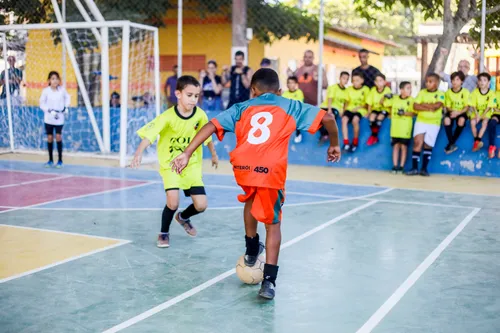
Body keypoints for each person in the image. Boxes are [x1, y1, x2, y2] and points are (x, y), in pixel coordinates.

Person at [170, 68, 341, 300]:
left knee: (250, 198)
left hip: (243, 167)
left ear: (253, 90)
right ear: (279, 91)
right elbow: (329, 118)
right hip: (270, 171)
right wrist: (334, 144)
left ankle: (252, 250)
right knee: (273, 224)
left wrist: (188, 152)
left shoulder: (241, 107)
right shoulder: (289, 105)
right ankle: (269, 281)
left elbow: (210, 125)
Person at [131, 76, 219, 248]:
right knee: (173, 202)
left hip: (191, 164)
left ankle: (183, 217)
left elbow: (206, 136)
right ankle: (164, 232)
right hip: (170, 165)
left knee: (201, 205)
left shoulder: (200, 115)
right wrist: (138, 153)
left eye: (196, 96)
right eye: (189, 95)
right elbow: (149, 136)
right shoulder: (167, 117)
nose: (193, 99)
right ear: (178, 94)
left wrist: (213, 154)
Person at [407, 73, 445, 177]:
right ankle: (414, 168)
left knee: (428, 144)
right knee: (417, 142)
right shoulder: (422, 92)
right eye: (426, 81)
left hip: (434, 123)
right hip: (421, 121)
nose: (427, 84)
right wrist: (429, 108)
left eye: (430, 82)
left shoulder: (441, 94)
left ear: (436, 83)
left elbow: (437, 106)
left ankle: (424, 168)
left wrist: (422, 104)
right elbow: (415, 106)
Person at [39, 71, 70, 168]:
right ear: (49, 80)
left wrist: (66, 107)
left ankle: (60, 160)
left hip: (59, 118)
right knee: (49, 138)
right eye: (53, 79)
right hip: (48, 118)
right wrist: (49, 110)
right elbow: (42, 104)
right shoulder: (46, 91)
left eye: (56, 78)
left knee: (58, 137)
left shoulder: (62, 90)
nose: (55, 80)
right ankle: (50, 160)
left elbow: (67, 98)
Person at [386, 81, 414, 173]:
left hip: (405, 127)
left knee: (404, 147)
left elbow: (414, 112)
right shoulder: (394, 99)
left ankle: (401, 167)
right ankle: (395, 166)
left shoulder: (411, 100)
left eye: (410, 88)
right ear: (401, 90)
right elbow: (385, 104)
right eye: (407, 88)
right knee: (395, 146)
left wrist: (404, 113)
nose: (410, 90)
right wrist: (385, 96)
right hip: (395, 127)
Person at [318, 71, 350, 144]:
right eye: (343, 78)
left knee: (332, 116)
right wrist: (329, 109)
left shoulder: (346, 91)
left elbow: (346, 102)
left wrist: (343, 112)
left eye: (347, 79)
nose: (345, 80)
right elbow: (330, 99)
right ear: (339, 78)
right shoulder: (333, 87)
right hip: (326, 106)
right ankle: (324, 134)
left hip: (336, 108)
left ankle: (327, 134)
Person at [341, 72, 369, 152]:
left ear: (362, 81)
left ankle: (355, 142)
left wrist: (358, 107)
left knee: (355, 120)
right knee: (344, 120)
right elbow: (346, 102)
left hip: (360, 110)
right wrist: (344, 111)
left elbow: (367, 104)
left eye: (357, 80)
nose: (355, 82)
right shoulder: (349, 89)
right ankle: (346, 143)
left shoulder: (366, 89)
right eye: (353, 80)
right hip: (350, 109)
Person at [443, 71, 469, 154]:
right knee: (446, 120)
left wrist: (458, 113)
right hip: (452, 111)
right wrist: (453, 111)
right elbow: (447, 106)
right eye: (453, 80)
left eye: (457, 80)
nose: (454, 82)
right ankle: (452, 143)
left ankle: (450, 143)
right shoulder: (448, 92)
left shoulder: (465, 92)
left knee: (461, 121)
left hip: (461, 112)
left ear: (461, 81)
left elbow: (466, 107)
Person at [469, 72, 496, 153]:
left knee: (485, 123)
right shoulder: (475, 92)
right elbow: (473, 105)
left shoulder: (491, 93)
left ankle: (478, 139)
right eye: (480, 80)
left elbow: (489, 107)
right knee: (472, 122)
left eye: (484, 80)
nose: (482, 82)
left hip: (486, 113)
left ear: (488, 82)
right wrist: (477, 115)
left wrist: (482, 116)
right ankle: (476, 141)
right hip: (476, 112)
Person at [366, 73, 392, 145]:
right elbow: (369, 102)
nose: (379, 83)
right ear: (375, 82)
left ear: (384, 82)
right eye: (377, 81)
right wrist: (368, 112)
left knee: (379, 118)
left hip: (384, 109)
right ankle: (375, 136)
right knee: (371, 118)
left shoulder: (387, 90)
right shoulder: (373, 90)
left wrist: (390, 113)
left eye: (381, 81)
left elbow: (390, 104)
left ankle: (373, 136)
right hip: (376, 109)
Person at [282, 76, 305, 143]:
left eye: (293, 83)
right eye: (289, 83)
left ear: (296, 84)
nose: (291, 85)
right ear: (287, 85)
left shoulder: (299, 92)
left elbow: (299, 104)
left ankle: (298, 133)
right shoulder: (285, 94)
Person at [488, 91, 500, 158]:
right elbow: (493, 106)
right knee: (492, 123)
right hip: (497, 114)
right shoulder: (495, 93)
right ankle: (491, 146)